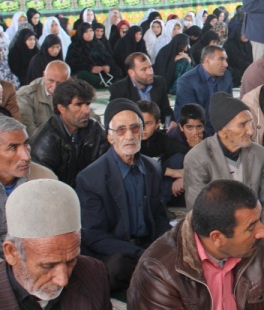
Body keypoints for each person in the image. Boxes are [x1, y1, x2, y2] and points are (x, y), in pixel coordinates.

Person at [127, 180, 264, 310]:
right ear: (217, 237)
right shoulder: (159, 273)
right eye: (251, 227)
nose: (263, 232)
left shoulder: (254, 247)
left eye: (259, 220)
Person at [76, 99, 171, 292]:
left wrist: (163, 246)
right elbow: (95, 236)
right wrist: (141, 254)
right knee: (116, 268)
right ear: (110, 137)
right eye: (120, 130)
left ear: (142, 131)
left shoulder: (152, 168)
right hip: (116, 251)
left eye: (135, 128)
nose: (129, 136)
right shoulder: (90, 178)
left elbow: (159, 216)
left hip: (146, 245)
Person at [1, 179, 111, 309]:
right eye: (48, 266)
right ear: (11, 253)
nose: (63, 280)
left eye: (71, 261)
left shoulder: (93, 272)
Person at [183, 92, 264, 225]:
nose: (251, 131)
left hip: (255, 226)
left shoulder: (259, 153)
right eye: (242, 124)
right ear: (223, 131)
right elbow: (198, 211)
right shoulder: (197, 158)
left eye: (250, 123)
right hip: (220, 229)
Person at [30, 79, 109, 187]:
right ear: (61, 108)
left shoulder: (95, 129)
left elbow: (107, 168)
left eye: (88, 104)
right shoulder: (44, 142)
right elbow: (45, 186)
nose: (86, 111)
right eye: (78, 104)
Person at [0, 116, 57, 237]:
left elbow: (54, 231)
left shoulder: (46, 180)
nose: (26, 157)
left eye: (26, 144)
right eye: (13, 148)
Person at [174, 45, 233, 135]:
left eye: (225, 59)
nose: (226, 64)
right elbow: (191, 116)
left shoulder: (226, 75)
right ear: (207, 61)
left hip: (221, 129)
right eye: (221, 59)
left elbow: (229, 105)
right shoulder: (187, 81)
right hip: (197, 130)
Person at [109, 52, 174, 127]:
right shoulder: (119, 89)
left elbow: (166, 110)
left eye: (150, 67)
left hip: (155, 130)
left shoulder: (159, 82)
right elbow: (116, 118)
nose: (150, 72)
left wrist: (167, 125)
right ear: (131, 73)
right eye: (144, 69)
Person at [17, 60, 70, 136]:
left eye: (59, 83)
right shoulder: (26, 95)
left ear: (68, 81)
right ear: (44, 75)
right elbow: (28, 129)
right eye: (50, 80)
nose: (54, 87)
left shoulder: (73, 93)